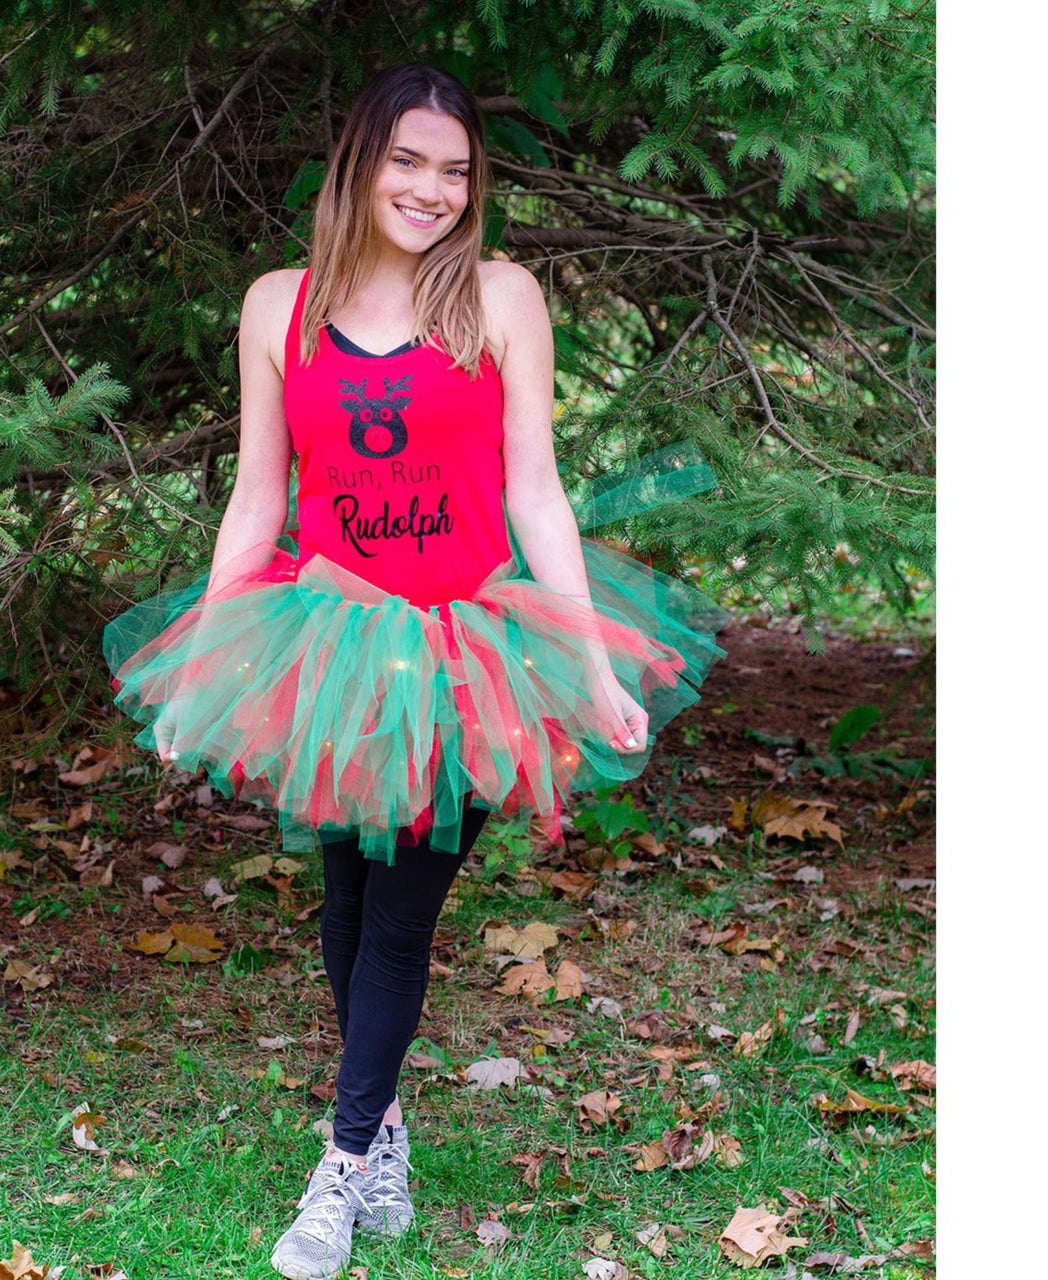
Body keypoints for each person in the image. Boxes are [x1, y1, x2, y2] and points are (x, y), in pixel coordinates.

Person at [103, 63, 729, 1280]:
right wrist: (205, 657)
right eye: (407, 161)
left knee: (398, 918)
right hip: (328, 642)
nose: (430, 189)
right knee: (343, 904)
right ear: (360, 162)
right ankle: (381, 1124)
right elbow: (258, 496)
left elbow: (533, 489)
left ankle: (341, 1165)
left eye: (454, 170)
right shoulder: (278, 305)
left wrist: (587, 651)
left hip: (466, 650)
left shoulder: (498, 296)